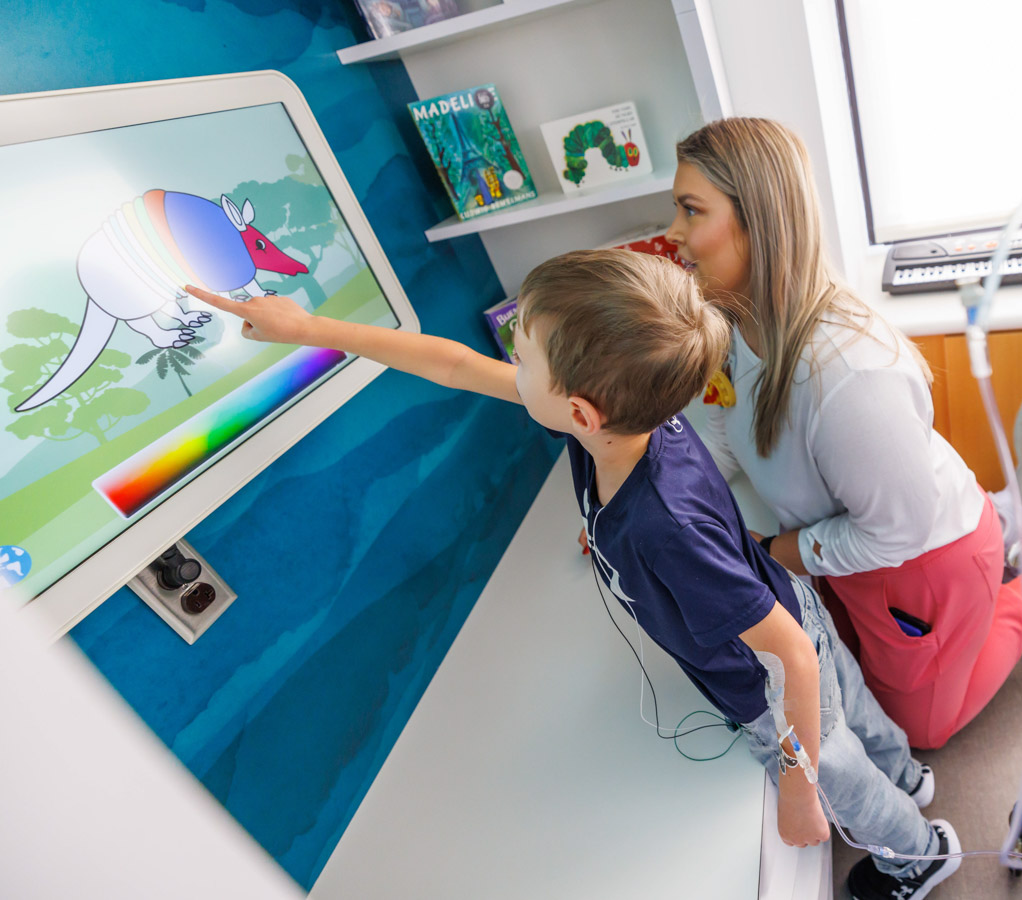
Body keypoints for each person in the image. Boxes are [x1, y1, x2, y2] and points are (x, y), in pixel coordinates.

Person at [185, 250, 961, 900]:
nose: (508, 362)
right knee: (854, 707)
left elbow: (788, 654)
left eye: (522, 356)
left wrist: (797, 782)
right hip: (783, 603)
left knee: (841, 772)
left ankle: (919, 854)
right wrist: (309, 329)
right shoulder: (629, 430)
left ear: (581, 412)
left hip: (765, 673)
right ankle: (912, 778)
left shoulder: (662, 527)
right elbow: (453, 365)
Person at [665, 117, 1022, 751]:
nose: (673, 235)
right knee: (849, 675)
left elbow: (900, 531)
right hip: (850, 539)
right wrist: (659, 496)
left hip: (920, 558)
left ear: (759, 221)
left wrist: (772, 552)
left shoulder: (848, 371)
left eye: (690, 211)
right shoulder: (733, 326)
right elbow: (725, 430)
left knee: (920, 731)